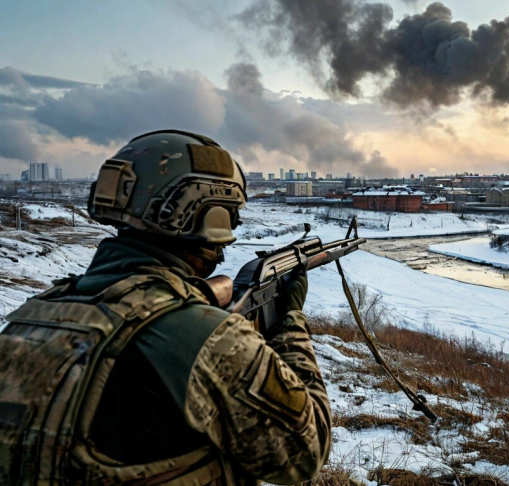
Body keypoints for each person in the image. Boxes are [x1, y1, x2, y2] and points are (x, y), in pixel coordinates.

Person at [0, 130, 331, 485]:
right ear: (206, 213)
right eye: (230, 215)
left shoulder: (30, 318)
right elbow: (304, 453)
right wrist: (291, 322)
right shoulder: (202, 338)